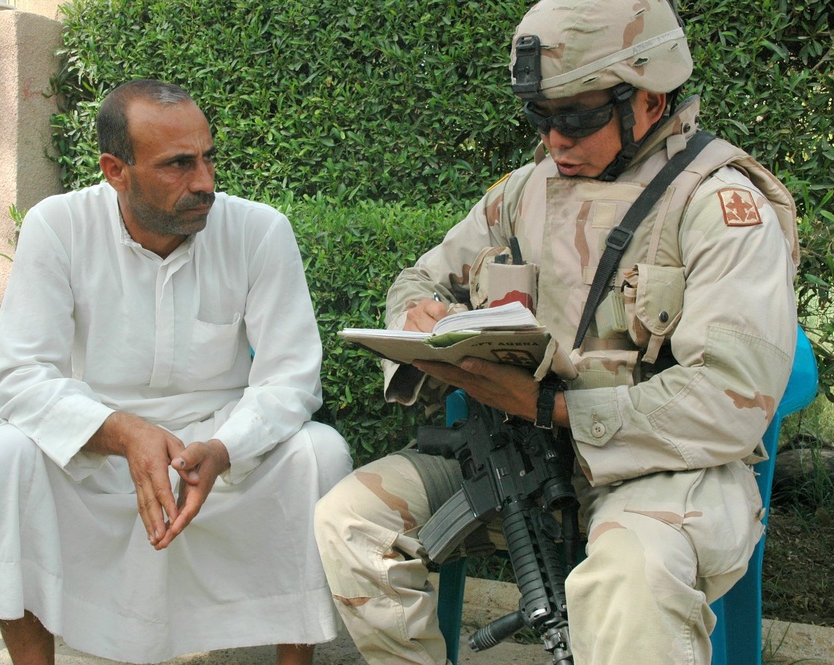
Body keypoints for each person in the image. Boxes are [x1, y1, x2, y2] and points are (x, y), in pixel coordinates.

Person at [314, 0, 800, 663]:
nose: (555, 141)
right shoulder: (523, 192)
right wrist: (416, 315)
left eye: (577, 117)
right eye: (542, 118)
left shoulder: (717, 206)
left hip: (665, 475)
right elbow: (420, 278)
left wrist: (550, 404)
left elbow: (728, 399)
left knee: (631, 575)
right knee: (348, 522)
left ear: (651, 99)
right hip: (521, 460)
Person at [0, 79, 352, 665]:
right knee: (2, 459)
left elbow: (293, 377)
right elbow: (19, 377)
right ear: (115, 170)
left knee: (320, 452)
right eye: (178, 164)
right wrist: (124, 433)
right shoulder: (58, 226)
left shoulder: (259, 230)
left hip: (220, 448)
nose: (204, 182)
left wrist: (224, 446)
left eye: (208, 157)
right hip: (97, 450)